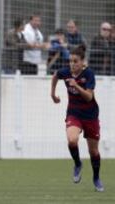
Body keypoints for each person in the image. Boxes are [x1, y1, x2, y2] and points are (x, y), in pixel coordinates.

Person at [51, 45, 104, 192]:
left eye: (75, 61)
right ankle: (78, 164)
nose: (72, 64)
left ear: (82, 62)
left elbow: (88, 97)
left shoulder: (89, 74)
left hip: (90, 116)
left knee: (93, 152)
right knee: (72, 140)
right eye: (70, 61)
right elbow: (56, 75)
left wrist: (77, 86)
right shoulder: (66, 72)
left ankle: (96, 178)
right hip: (74, 113)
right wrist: (53, 94)